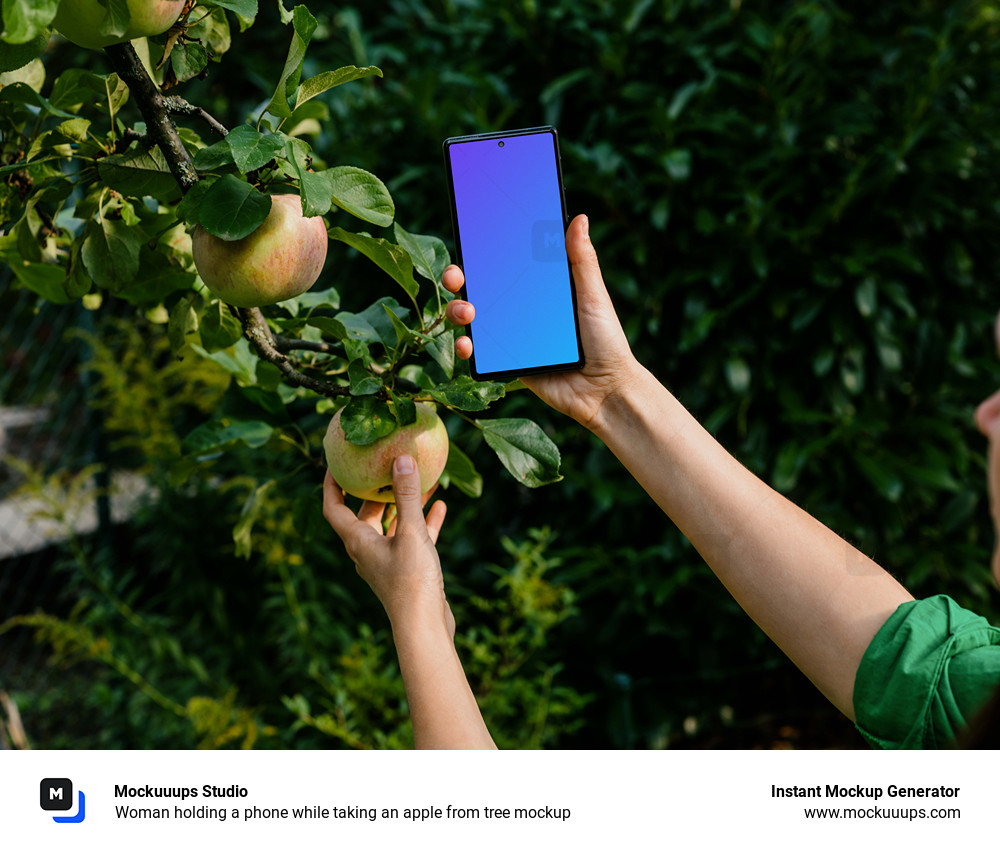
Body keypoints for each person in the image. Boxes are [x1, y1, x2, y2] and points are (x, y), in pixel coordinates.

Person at [324, 213, 1000, 749]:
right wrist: (613, 397)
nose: (986, 410)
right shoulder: (982, 691)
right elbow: (906, 663)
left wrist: (417, 615)